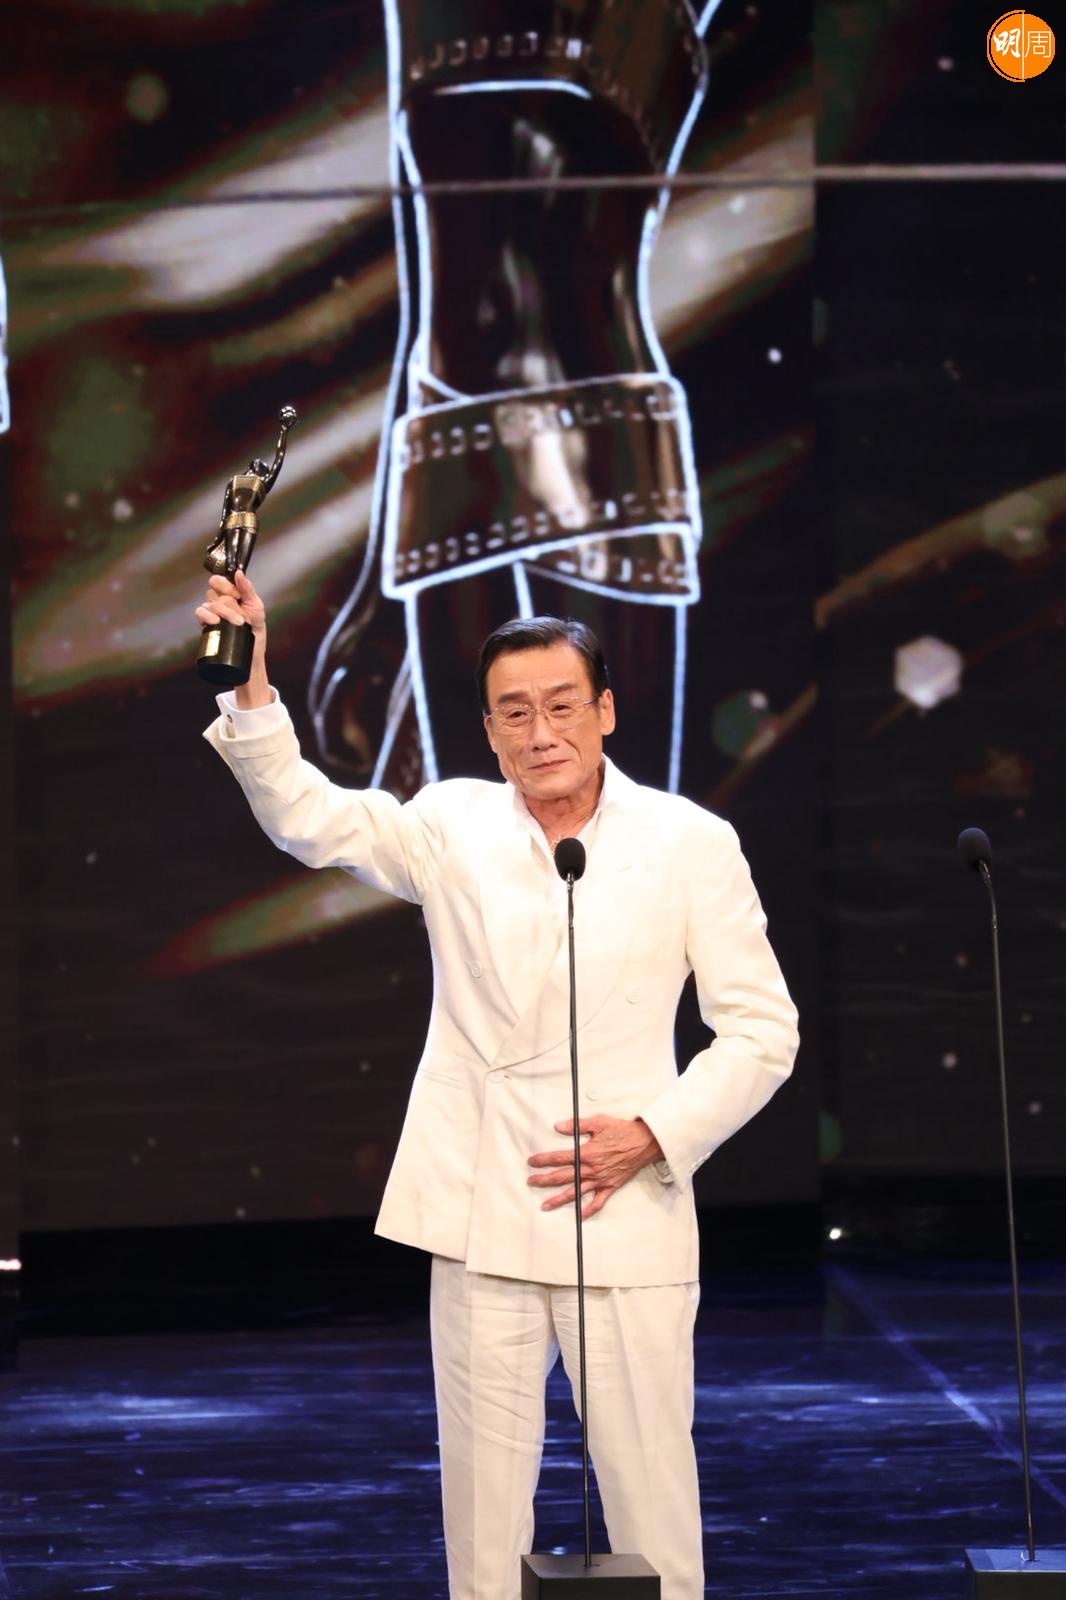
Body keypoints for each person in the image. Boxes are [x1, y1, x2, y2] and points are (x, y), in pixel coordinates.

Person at [197, 568, 799, 1600]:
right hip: (482, 1212)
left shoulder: (690, 843)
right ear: (487, 730)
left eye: (562, 705)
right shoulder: (453, 824)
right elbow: (308, 816)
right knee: (481, 1514)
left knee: (652, 1502)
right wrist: (250, 676)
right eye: (514, 713)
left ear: (605, 711)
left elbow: (762, 1030)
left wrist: (654, 1133)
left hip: (623, 1208)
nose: (541, 732)